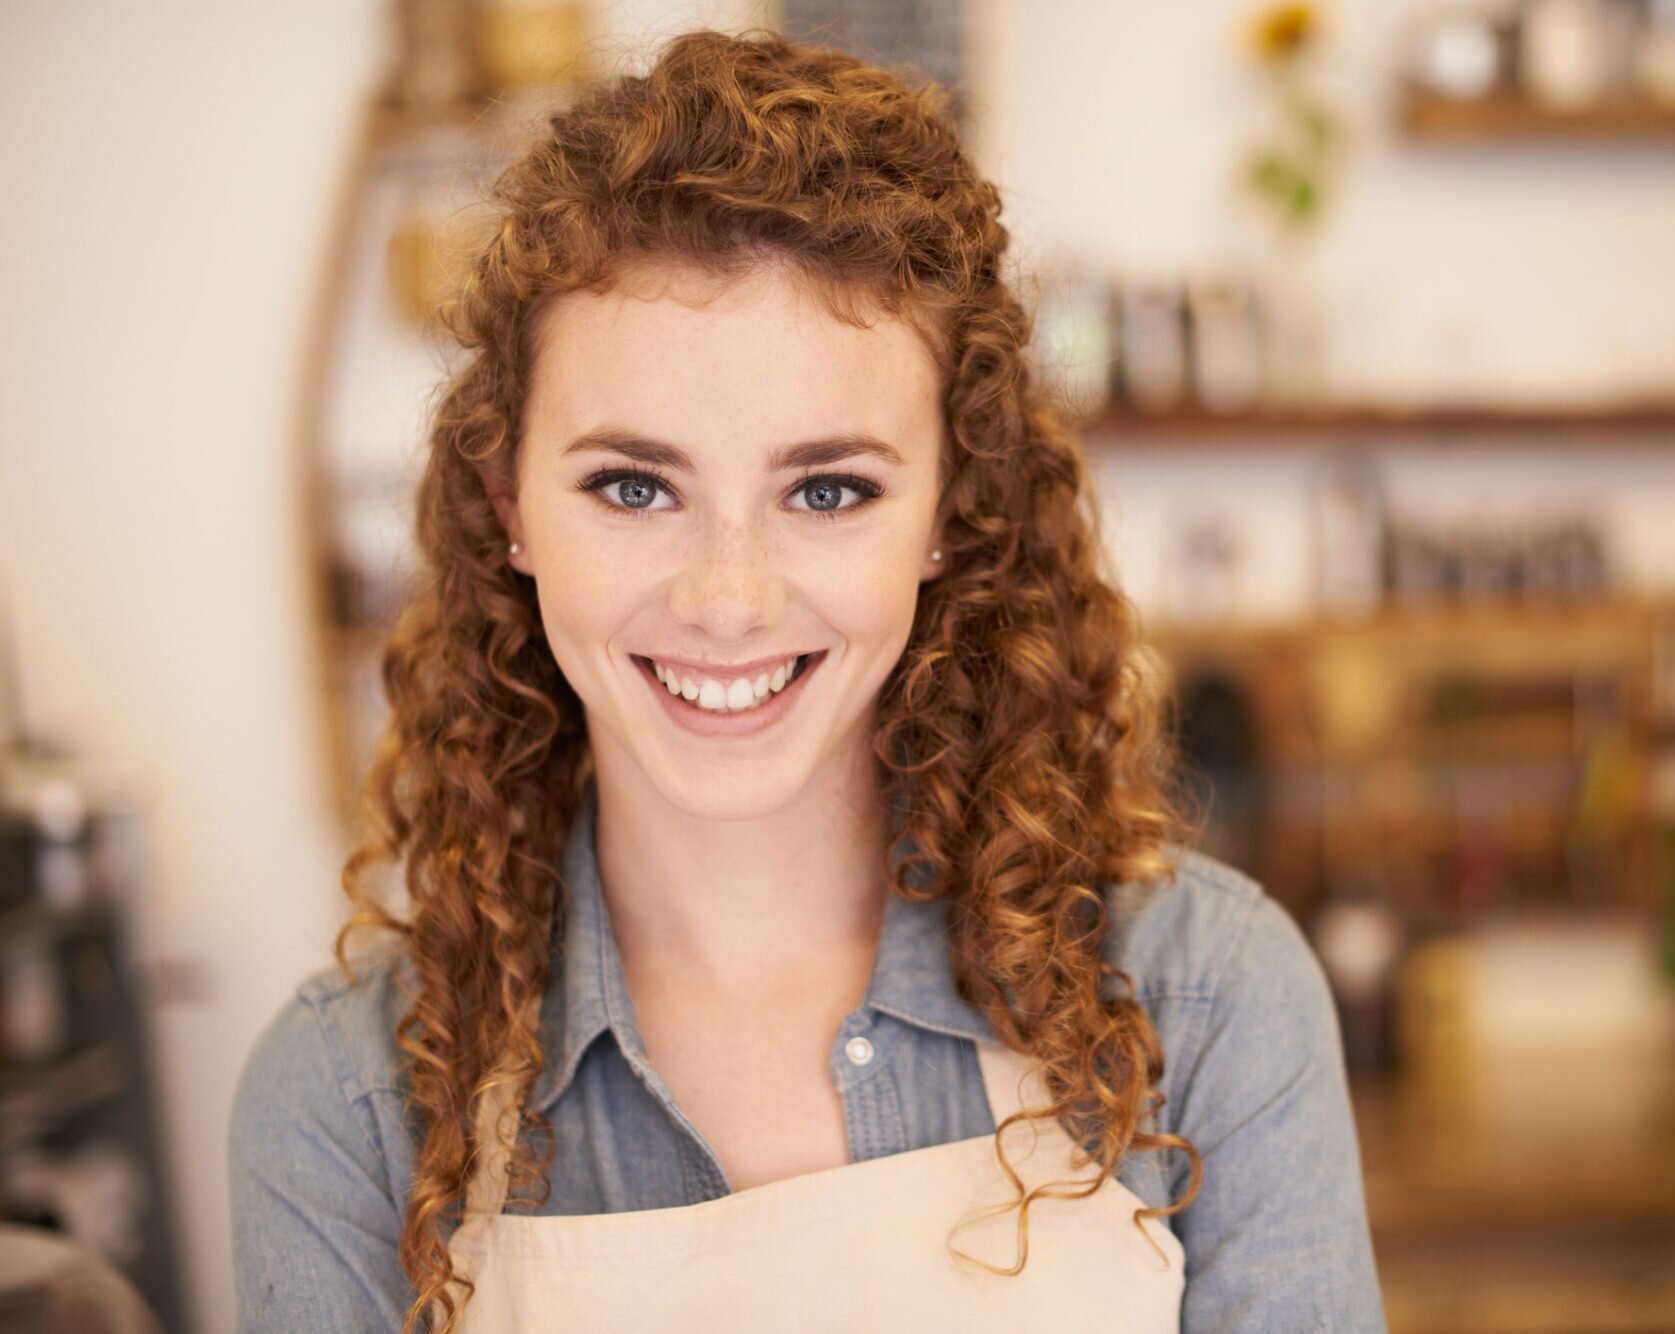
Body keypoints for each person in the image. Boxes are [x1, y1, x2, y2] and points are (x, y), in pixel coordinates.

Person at [228, 27, 1384, 1334]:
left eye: (828, 488)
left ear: (947, 509)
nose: (729, 597)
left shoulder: (1205, 1000)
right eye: (633, 485)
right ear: (511, 510)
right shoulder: (346, 1108)